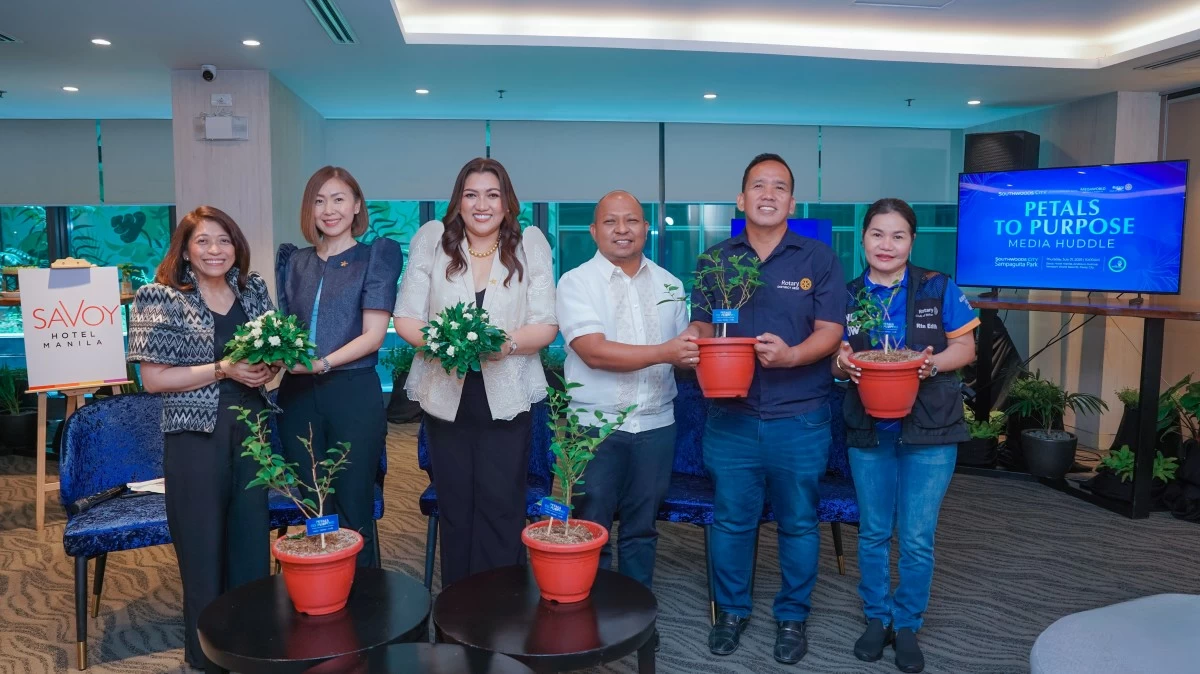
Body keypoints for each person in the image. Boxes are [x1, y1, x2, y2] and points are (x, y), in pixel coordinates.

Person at [685, 153, 845, 666]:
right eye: (758, 185)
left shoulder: (818, 259)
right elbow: (706, 324)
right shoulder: (715, 260)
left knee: (799, 522)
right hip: (731, 416)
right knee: (732, 521)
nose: (769, 194)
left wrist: (794, 356)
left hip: (799, 417)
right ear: (741, 198)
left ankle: (793, 617)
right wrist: (694, 337)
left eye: (779, 186)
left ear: (792, 201)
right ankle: (730, 612)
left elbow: (832, 332)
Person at [393, 157, 557, 588]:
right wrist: (444, 341)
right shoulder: (433, 240)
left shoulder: (530, 243)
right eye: (471, 194)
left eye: (492, 194)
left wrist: (508, 343)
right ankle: (458, 613)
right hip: (446, 396)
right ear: (458, 201)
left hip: (508, 394)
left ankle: (499, 613)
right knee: (456, 505)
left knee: (502, 504)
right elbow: (407, 317)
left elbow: (546, 323)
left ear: (506, 202)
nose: (481, 204)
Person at [127, 206, 277, 670]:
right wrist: (223, 369)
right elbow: (153, 380)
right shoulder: (161, 296)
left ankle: (249, 649)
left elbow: (274, 355)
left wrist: (268, 368)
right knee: (202, 549)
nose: (216, 250)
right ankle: (208, 658)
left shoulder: (252, 290)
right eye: (204, 241)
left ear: (237, 247)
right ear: (185, 250)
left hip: (252, 432)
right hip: (195, 439)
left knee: (251, 546)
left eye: (225, 241)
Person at [833, 198, 977, 674]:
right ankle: (877, 618)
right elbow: (836, 355)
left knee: (917, 536)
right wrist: (843, 363)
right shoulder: (848, 295)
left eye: (898, 235)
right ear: (863, 238)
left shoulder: (938, 287)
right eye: (877, 234)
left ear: (912, 241)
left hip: (931, 430)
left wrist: (930, 362)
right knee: (874, 532)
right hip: (869, 429)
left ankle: (908, 622)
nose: (887, 245)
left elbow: (966, 346)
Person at [555, 190, 696, 637]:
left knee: (642, 529)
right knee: (589, 529)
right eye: (611, 222)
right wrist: (667, 351)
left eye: (631, 221)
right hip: (595, 428)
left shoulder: (671, 285)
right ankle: (588, 618)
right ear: (594, 230)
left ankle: (636, 619)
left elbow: (685, 354)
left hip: (656, 424)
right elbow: (592, 352)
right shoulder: (576, 282)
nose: (622, 230)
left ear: (646, 228)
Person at [276, 166, 403, 568]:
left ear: (356, 205)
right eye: (319, 200)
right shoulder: (294, 261)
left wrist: (321, 363)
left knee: (352, 498)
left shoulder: (375, 257)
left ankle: (362, 596)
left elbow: (374, 335)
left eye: (338, 199)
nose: (328, 209)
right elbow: (285, 329)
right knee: (311, 500)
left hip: (352, 392)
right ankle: (318, 587)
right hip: (296, 396)